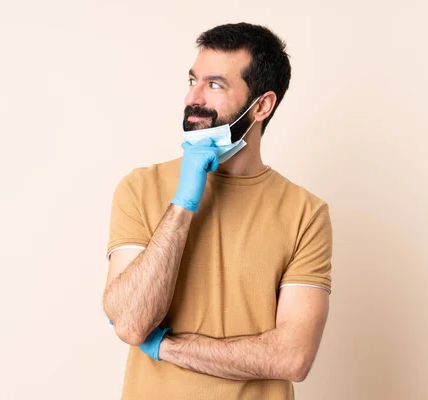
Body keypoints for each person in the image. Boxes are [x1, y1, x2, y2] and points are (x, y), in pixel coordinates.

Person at [103, 22, 333, 400]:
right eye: (193, 80)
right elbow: (131, 323)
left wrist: (167, 348)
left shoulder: (305, 213)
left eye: (214, 85)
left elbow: (293, 357)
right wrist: (183, 203)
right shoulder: (140, 188)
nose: (193, 98)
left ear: (262, 105)